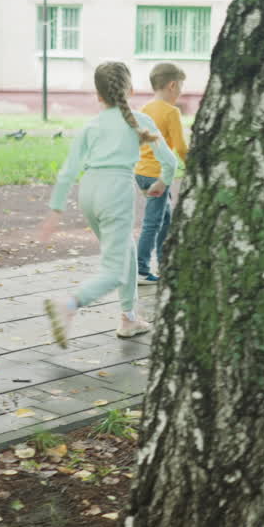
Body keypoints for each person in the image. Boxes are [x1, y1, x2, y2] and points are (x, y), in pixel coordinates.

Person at [37, 62, 178, 349]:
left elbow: (67, 172)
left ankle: (128, 319)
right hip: (116, 192)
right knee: (114, 269)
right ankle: (69, 305)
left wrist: (55, 211)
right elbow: (171, 162)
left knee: (124, 250)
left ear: (98, 95)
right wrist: (163, 181)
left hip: (88, 191)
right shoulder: (139, 120)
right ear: (131, 90)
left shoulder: (92, 126)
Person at [133, 63, 189, 285]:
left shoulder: (145, 109)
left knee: (165, 219)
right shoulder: (172, 112)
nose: (181, 92)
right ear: (172, 85)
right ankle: (142, 270)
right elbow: (182, 147)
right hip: (158, 175)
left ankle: (165, 264)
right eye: (181, 87)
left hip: (142, 172)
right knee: (153, 222)